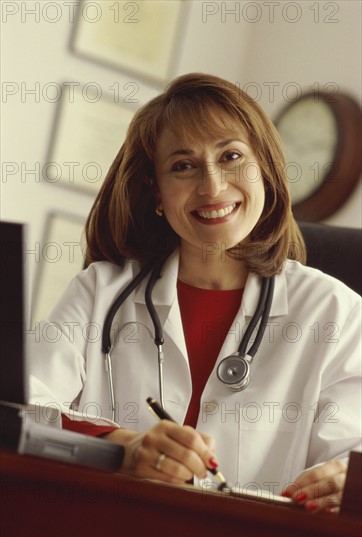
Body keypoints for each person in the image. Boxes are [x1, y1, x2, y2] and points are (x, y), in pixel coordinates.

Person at [29, 73, 361, 513]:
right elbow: (22, 407)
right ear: (156, 193)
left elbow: (348, 453)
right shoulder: (99, 292)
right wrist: (121, 446)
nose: (212, 186)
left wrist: (346, 481)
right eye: (183, 165)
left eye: (231, 156)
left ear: (264, 168)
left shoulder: (335, 311)